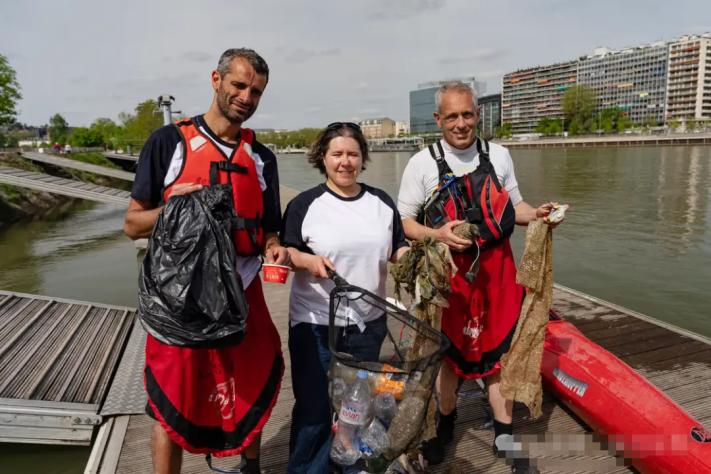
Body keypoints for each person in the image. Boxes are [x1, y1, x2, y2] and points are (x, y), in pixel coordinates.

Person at [123, 48, 286, 474]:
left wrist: (272, 246)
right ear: (216, 80)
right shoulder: (168, 143)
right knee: (170, 399)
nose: (246, 97)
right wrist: (174, 209)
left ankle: (251, 466)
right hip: (183, 299)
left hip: (243, 289)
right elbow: (133, 224)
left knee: (256, 377)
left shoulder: (262, 157)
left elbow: (269, 227)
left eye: (256, 91)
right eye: (239, 85)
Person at [397, 81, 556, 470]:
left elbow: (514, 207)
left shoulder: (499, 156)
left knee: (499, 354)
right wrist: (436, 233)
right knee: (450, 359)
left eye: (467, 114)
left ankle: (504, 433)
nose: (461, 123)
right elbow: (405, 222)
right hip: (450, 278)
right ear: (438, 119)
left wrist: (539, 215)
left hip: (498, 273)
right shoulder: (421, 163)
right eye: (451, 116)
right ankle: (446, 425)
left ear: (477, 114)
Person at [280, 123, 409, 473]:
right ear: (323, 157)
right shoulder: (305, 204)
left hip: (369, 325)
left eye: (352, 154)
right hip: (316, 324)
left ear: (363, 158)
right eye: (337, 154)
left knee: (357, 405)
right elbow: (285, 252)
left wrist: (411, 258)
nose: (345, 162)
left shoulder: (381, 201)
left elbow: (397, 246)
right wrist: (307, 260)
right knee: (314, 410)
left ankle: (347, 462)